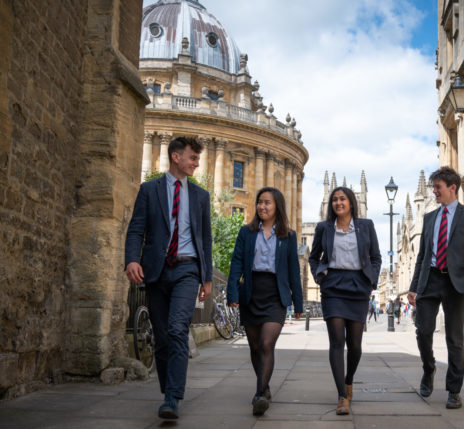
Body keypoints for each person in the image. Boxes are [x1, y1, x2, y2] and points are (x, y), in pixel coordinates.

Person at [125, 136, 212, 420]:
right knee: (162, 337)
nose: (196, 163)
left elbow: (206, 239)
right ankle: (168, 391)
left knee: (177, 329)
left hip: (187, 268)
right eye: (193, 158)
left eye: (197, 159)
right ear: (176, 157)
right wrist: (132, 259)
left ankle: (173, 397)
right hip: (156, 270)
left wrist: (207, 276)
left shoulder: (200, 196)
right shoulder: (149, 190)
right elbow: (137, 229)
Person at [407, 166, 464, 410]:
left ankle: (454, 390)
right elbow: (421, 255)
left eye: (438, 187)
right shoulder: (429, 218)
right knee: (423, 330)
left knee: (454, 339)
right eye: (433, 187)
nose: (434, 192)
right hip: (430, 280)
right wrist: (413, 287)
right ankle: (428, 370)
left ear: (452, 188)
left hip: (455, 282)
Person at [226, 187, 303, 416]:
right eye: (260, 202)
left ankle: (259, 394)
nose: (262, 206)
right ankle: (265, 385)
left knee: (267, 344)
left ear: (277, 206)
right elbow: (236, 264)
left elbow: (293, 271)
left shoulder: (288, 236)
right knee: (255, 347)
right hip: (251, 292)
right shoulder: (246, 232)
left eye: (267, 203)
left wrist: (298, 303)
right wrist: (232, 294)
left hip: (275, 295)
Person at [309, 186, 381, 415]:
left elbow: (376, 257)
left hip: (358, 286)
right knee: (337, 341)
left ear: (351, 202)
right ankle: (342, 395)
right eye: (334, 200)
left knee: (356, 345)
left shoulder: (366, 226)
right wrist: (320, 278)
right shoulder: (323, 228)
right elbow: (314, 257)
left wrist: (370, 280)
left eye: (342, 199)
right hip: (333, 286)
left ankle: (349, 380)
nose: (338, 203)